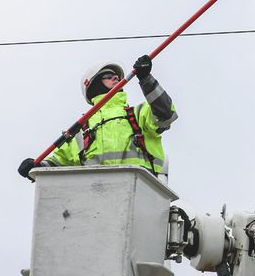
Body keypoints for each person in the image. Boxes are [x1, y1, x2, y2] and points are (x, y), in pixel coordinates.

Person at [18, 55, 177, 181]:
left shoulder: (137, 114)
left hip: (140, 192)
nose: (116, 77)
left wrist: (146, 79)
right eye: (108, 75)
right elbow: (55, 164)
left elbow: (166, 115)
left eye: (116, 76)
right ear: (93, 85)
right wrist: (34, 167)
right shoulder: (82, 131)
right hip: (97, 201)